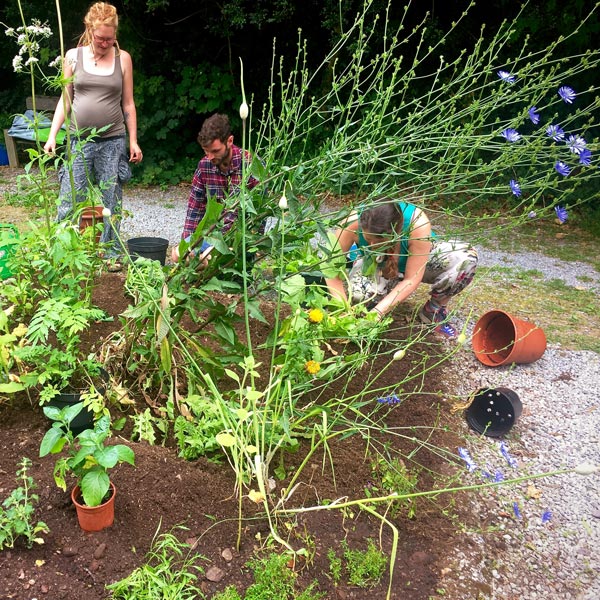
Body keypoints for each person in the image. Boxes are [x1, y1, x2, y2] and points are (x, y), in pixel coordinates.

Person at [44, 1, 142, 269]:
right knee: (69, 196)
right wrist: (53, 136)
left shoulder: (124, 59)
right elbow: (65, 101)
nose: (105, 43)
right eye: (100, 38)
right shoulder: (73, 57)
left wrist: (133, 141)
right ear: (90, 30)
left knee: (111, 199)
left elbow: (128, 104)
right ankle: (61, 252)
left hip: (112, 140)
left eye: (110, 39)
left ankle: (110, 254)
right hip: (78, 139)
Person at [325, 199, 478, 338]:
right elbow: (330, 268)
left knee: (466, 259)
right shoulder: (351, 222)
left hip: (416, 262)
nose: (370, 245)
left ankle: (433, 310)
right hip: (375, 264)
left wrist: (378, 312)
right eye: (367, 239)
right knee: (359, 296)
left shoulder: (417, 224)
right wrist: (342, 306)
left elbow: (412, 279)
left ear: (396, 233)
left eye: (377, 241)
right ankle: (379, 293)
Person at [172, 113, 261, 264]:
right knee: (176, 255)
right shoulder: (204, 166)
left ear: (230, 141)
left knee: (209, 259)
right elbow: (195, 210)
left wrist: (254, 243)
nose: (210, 156)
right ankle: (203, 262)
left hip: (238, 238)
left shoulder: (251, 165)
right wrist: (187, 245)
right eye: (206, 151)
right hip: (211, 235)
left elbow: (260, 210)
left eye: (215, 151)